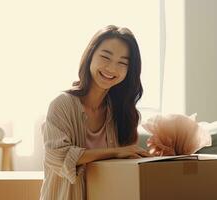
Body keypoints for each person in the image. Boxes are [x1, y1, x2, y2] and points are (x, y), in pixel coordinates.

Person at [40, 25, 152, 200]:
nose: (111, 68)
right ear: (90, 56)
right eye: (106, 57)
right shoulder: (62, 104)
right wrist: (114, 152)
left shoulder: (120, 112)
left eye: (122, 62)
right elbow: (58, 156)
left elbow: (128, 165)